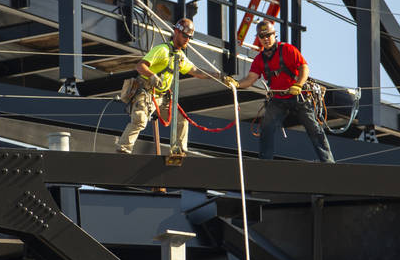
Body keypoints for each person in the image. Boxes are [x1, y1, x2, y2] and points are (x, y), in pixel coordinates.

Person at [223, 20, 335, 163]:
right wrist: (237, 84)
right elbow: (251, 78)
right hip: (278, 99)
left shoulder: (287, 50)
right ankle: (265, 163)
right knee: (267, 128)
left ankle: (328, 162)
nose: (265, 39)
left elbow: (304, 68)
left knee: (314, 129)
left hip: (298, 97)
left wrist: (298, 85)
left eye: (268, 35)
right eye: (262, 36)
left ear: (274, 35)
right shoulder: (259, 60)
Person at [116, 18, 214, 155]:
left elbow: (196, 71)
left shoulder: (179, 56)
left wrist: (219, 76)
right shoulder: (162, 50)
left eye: (189, 37)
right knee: (140, 120)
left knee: (181, 121)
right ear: (176, 32)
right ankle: (123, 149)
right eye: (185, 35)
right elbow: (140, 66)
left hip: (162, 97)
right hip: (146, 92)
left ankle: (178, 151)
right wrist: (152, 76)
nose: (187, 39)